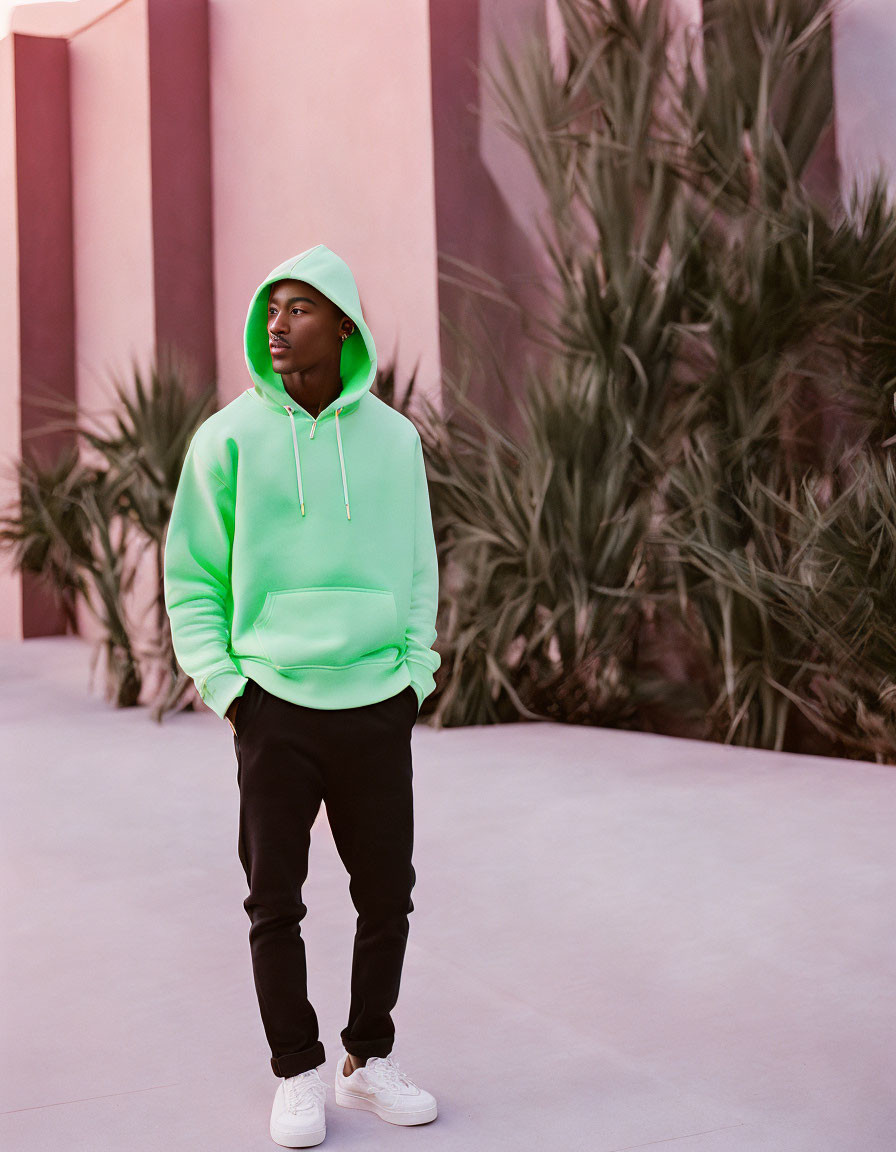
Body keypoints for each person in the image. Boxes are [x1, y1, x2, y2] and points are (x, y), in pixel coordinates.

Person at [163, 244, 441, 1147]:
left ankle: (369, 1059)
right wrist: (230, 688)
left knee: (387, 895)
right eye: (271, 309)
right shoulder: (229, 437)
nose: (278, 325)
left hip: (376, 700)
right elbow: (192, 575)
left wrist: (415, 674)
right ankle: (296, 1072)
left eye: (301, 309)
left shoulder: (395, 441)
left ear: (345, 327)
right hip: (273, 704)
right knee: (274, 900)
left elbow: (417, 565)